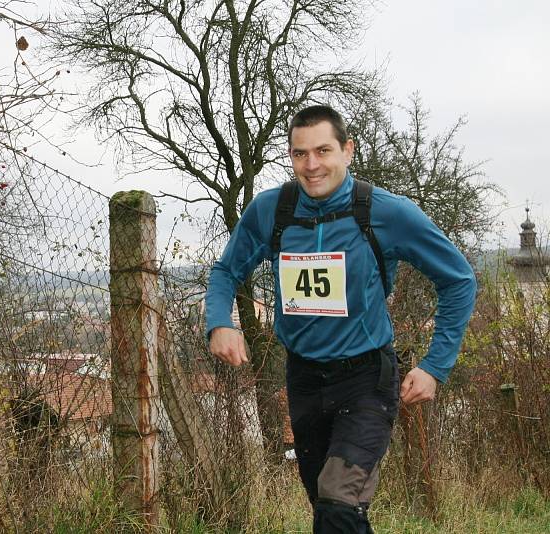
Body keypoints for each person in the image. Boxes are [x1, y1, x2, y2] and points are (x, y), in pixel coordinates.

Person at [204, 105, 477, 533]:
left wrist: (434, 366)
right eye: (299, 154)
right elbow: (226, 271)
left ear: (348, 151)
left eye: (323, 151)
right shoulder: (271, 210)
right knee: (330, 511)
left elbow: (458, 280)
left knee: (338, 501)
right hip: (304, 378)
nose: (311, 166)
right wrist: (220, 321)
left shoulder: (385, 212)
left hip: (366, 378)